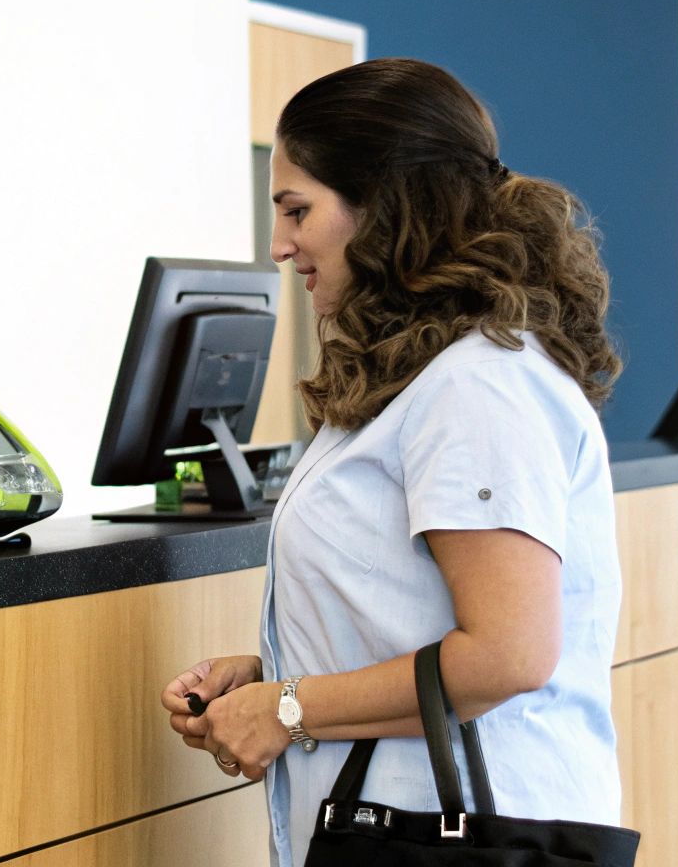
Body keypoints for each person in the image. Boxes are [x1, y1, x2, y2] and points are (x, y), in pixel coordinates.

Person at [160, 58, 626, 865]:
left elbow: (506, 655)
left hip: (473, 830)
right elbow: (410, 609)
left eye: (298, 210)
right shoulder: (419, 378)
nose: (280, 246)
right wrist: (281, 673)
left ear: (382, 208)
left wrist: (292, 707)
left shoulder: (480, 386)